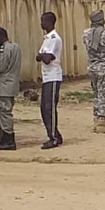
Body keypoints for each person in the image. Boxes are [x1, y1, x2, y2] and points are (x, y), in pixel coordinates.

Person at [84, 9, 105, 134]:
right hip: (103, 68)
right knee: (104, 94)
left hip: (92, 68)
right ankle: (102, 122)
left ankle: (95, 119)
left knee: (96, 94)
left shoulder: (86, 34)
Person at [0, 26, 21, 151]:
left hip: (4, 84)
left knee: (4, 112)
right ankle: (6, 137)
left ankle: (8, 138)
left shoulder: (4, 49)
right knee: (6, 111)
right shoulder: (16, 46)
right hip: (12, 83)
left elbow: (0, 67)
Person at [36, 11, 64, 149]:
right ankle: (55, 134)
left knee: (49, 108)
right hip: (46, 78)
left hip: (53, 76)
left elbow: (46, 59)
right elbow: (39, 56)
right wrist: (42, 55)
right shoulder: (46, 38)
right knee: (44, 108)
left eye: (43, 21)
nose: (41, 23)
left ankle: (53, 138)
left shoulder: (54, 38)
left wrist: (42, 55)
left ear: (50, 22)